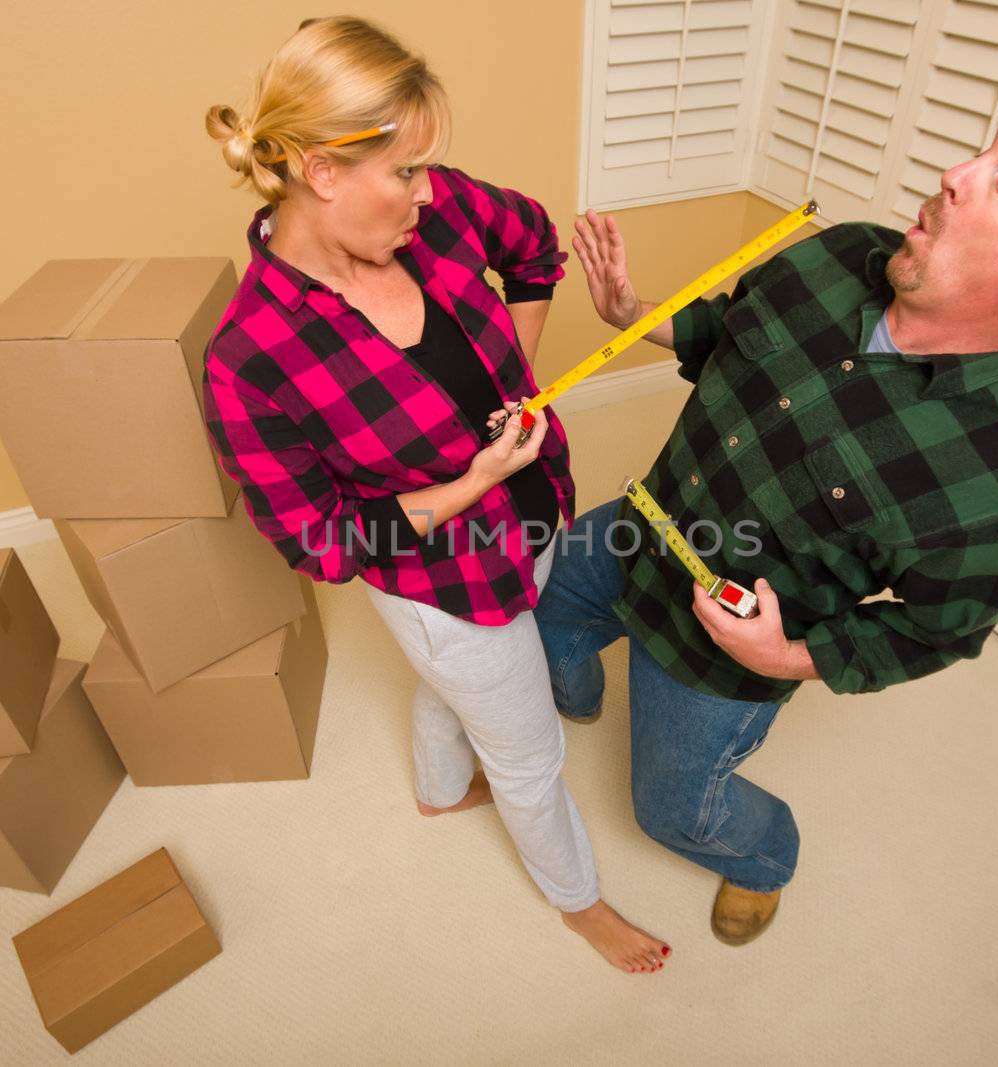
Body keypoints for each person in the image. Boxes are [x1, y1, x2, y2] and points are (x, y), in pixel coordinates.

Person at [536, 63, 998, 946]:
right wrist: (632, 311)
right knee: (542, 606)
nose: (956, 175)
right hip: (639, 526)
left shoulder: (988, 485)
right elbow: (730, 333)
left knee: (671, 813)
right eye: (986, 152)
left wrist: (790, 654)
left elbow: (939, 631)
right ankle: (570, 699)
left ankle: (765, 856)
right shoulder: (835, 252)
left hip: (719, 660)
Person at [200, 17, 668, 973]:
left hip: (532, 512)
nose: (427, 192)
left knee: (462, 689)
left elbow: (535, 243)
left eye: (425, 169)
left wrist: (518, 381)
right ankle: (579, 903)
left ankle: (440, 788)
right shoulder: (250, 358)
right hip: (445, 584)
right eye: (405, 172)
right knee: (528, 750)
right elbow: (318, 542)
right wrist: (465, 484)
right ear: (323, 171)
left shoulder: (440, 210)